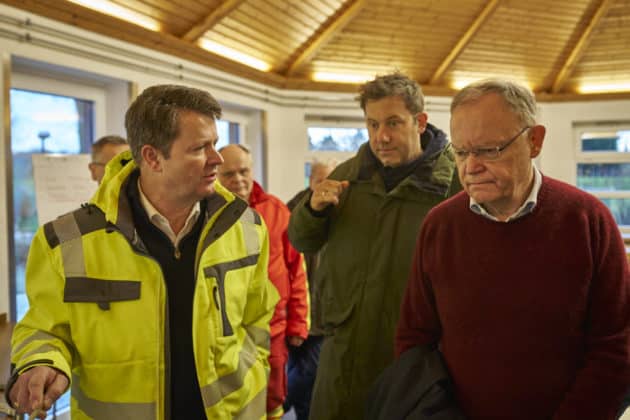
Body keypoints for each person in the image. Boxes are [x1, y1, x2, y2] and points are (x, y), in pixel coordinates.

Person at [7, 84, 278, 419]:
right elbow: (44, 328)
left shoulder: (247, 226)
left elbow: (258, 319)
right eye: (199, 148)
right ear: (152, 157)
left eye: (215, 144)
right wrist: (43, 362)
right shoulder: (66, 241)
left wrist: (257, 381)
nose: (217, 159)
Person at [396, 79, 630, 419]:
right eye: (461, 152)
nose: (470, 166)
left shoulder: (588, 220)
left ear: (534, 141)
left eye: (489, 150)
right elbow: (414, 340)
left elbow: (615, 347)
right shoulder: (440, 226)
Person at [288, 72, 462, 419]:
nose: (381, 136)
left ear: (420, 121)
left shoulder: (453, 185)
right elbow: (301, 238)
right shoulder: (347, 177)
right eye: (372, 124)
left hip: (417, 361)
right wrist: (312, 211)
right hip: (343, 356)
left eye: (394, 123)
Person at [217, 144, 309, 419]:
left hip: (274, 327)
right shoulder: (205, 215)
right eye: (228, 174)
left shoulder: (276, 210)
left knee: (274, 394)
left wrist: (299, 322)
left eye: (243, 171)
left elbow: (296, 270)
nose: (238, 179)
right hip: (228, 329)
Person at [284, 159, 336, 420]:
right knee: (304, 375)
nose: (324, 188)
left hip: (325, 313)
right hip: (299, 311)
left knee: (309, 375)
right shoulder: (292, 211)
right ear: (311, 181)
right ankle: (275, 407)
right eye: (319, 181)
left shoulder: (341, 212)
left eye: (329, 181)